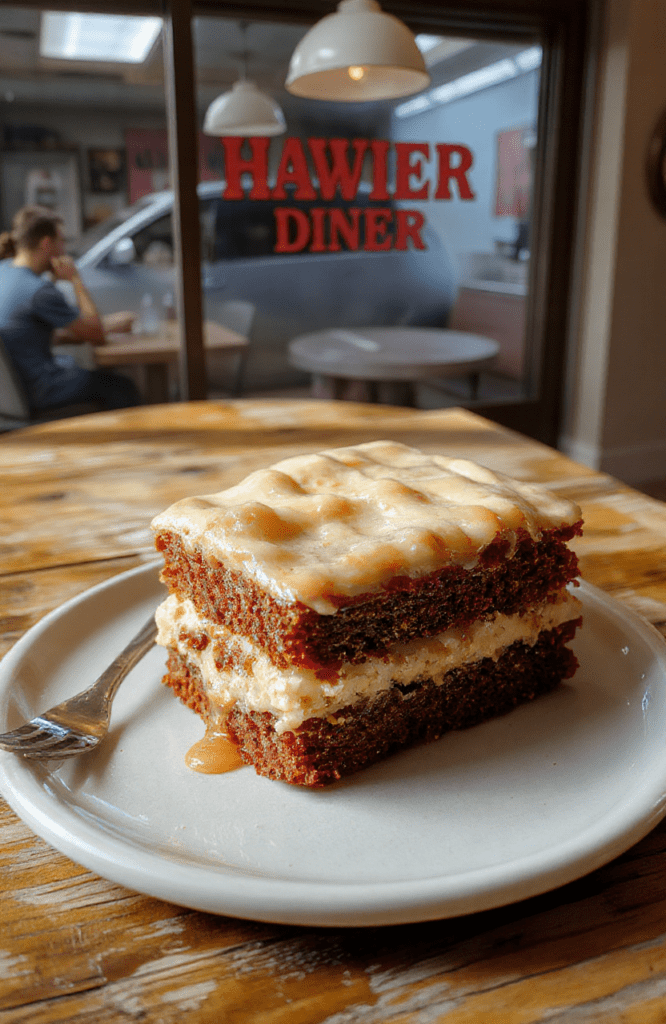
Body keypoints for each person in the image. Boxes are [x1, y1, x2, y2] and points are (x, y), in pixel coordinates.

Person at [0, 205, 140, 413]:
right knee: (122, 387)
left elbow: (32, 332)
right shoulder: (40, 291)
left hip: (14, 394)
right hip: (41, 389)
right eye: (62, 241)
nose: (64, 249)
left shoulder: (5, 272)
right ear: (47, 244)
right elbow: (97, 335)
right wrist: (76, 280)